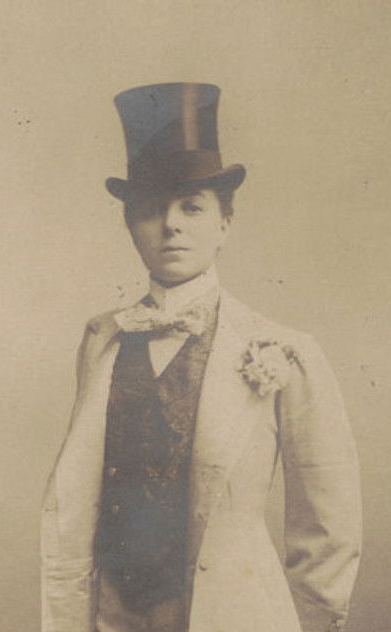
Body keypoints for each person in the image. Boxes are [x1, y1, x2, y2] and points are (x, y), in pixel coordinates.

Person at [40, 83, 361, 632]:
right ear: (130, 226)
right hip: (113, 617)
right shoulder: (102, 340)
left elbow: (329, 524)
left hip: (233, 614)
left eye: (192, 208)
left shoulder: (284, 351)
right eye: (150, 210)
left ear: (224, 225)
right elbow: (79, 498)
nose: (171, 225)